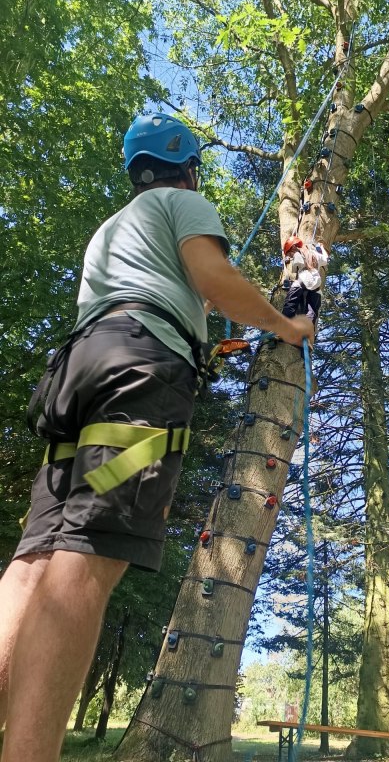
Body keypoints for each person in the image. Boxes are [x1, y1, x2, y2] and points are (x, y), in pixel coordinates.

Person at [0, 113, 314, 762]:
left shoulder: (113, 231)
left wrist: (207, 339)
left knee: (31, 567)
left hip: (80, 377)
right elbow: (212, 280)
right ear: (187, 165)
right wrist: (285, 325)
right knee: (88, 557)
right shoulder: (187, 202)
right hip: (140, 375)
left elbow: (156, 301)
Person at [281, 236, 329, 325]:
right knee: (312, 311)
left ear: (294, 247)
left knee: (290, 302)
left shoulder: (297, 253)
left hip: (303, 280)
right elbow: (325, 259)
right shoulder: (316, 254)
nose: (290, 255)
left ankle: (284, 326)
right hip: (316, 286)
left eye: (290, 253)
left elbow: (298, 264)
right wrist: (321, 248)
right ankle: (307, 332)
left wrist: (290, 260)